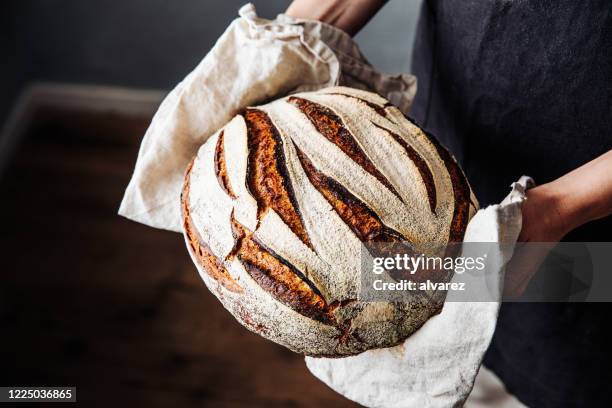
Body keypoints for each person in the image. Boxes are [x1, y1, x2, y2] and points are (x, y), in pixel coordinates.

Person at [286, 0, 612, 406]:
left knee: (567, 353)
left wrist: (560, 209)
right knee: (433, 328)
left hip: (592, 209)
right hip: (446, 138)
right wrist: (292, 39)